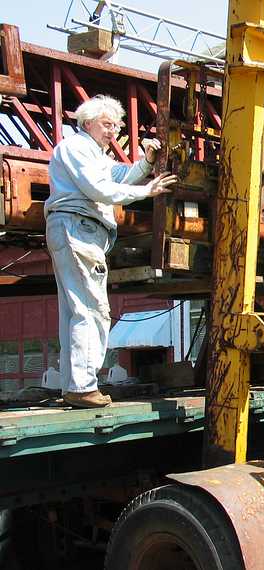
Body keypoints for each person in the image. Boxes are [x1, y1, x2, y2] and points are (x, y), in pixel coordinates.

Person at [45, 95, 178, 408]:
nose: (112, 131)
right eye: (107, 125)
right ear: (88, 122)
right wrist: (146, 191)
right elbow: (100, 189)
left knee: (76, 311)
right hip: (78, 229)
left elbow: (117, 176)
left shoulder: (91, 153)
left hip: (75, 230)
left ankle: (75, 385)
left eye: (116, 126)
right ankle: (83, 386)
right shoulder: (77, 148)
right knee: (92, 309)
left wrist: (145, 163)